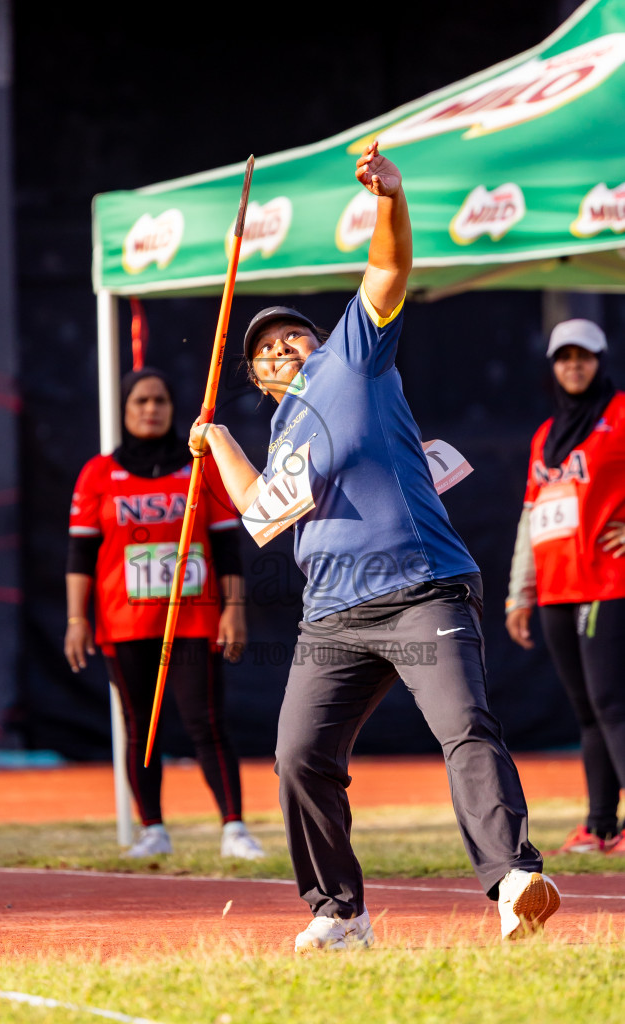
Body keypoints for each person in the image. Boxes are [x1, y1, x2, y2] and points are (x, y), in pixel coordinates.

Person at [189, 140, 560, 950]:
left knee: (464, 726)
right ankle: (339, 912)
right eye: (264, 349)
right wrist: (216, 440)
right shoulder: (283, 433)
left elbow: (387, 273)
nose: (280, 347)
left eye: (292, 336)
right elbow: (258, 512)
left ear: (317, 343)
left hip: (419, 587)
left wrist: (389, 200)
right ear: (256, 377)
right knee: (297, 756)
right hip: (331, 617)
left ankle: (513, 880)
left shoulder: (352, 358)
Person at [64, 367, 264, 861]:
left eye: (160, 401)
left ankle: (234, 828)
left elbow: (226, 544)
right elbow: (79, 555)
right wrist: (75, 619)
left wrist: (234, 609)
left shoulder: (200, 467)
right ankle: (152, 828)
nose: (151, 409)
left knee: (207, 721)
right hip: (125, 621)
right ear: (125, 410)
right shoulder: (97, 474)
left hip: (194, 619)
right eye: (140, 401)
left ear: (173, 409)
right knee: (140, 725)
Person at [506, 318, 625, 856]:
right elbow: (533, 518)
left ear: (602, 361)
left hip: (605, 581)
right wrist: (518, 592)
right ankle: (600, 825)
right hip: (555, 589)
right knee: (586, 711)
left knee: (611, 702)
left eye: (584, 355)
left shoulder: (620, 414)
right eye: (563, 356)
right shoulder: (545, 435)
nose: (573, 364)